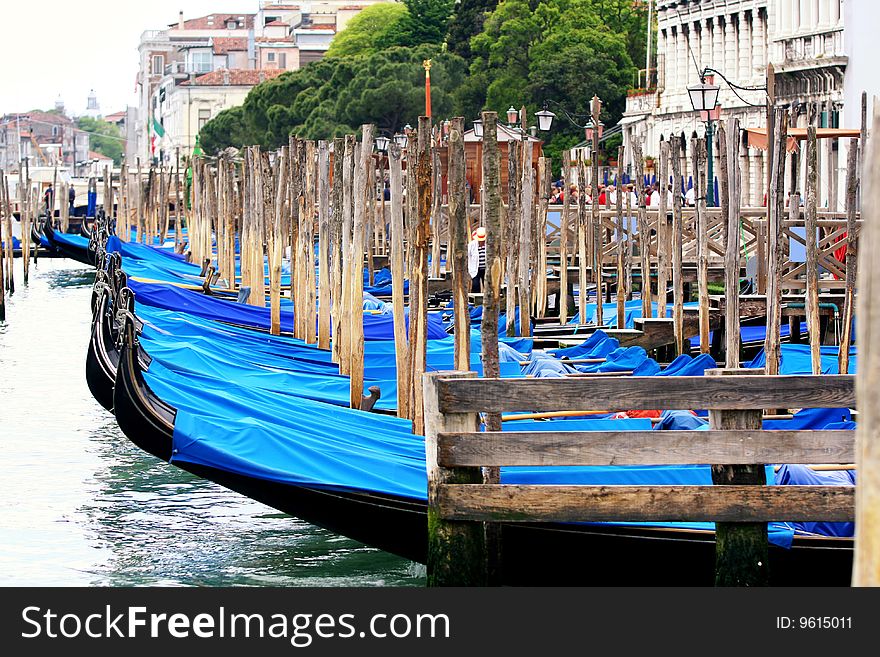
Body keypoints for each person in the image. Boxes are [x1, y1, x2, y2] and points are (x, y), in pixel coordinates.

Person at [467, 226, 487, 293]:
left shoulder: (489, 245)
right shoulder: (471, 245)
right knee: (475, 285)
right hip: (475, 269)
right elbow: (467, 256)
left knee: (487, 286)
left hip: (486, 269)